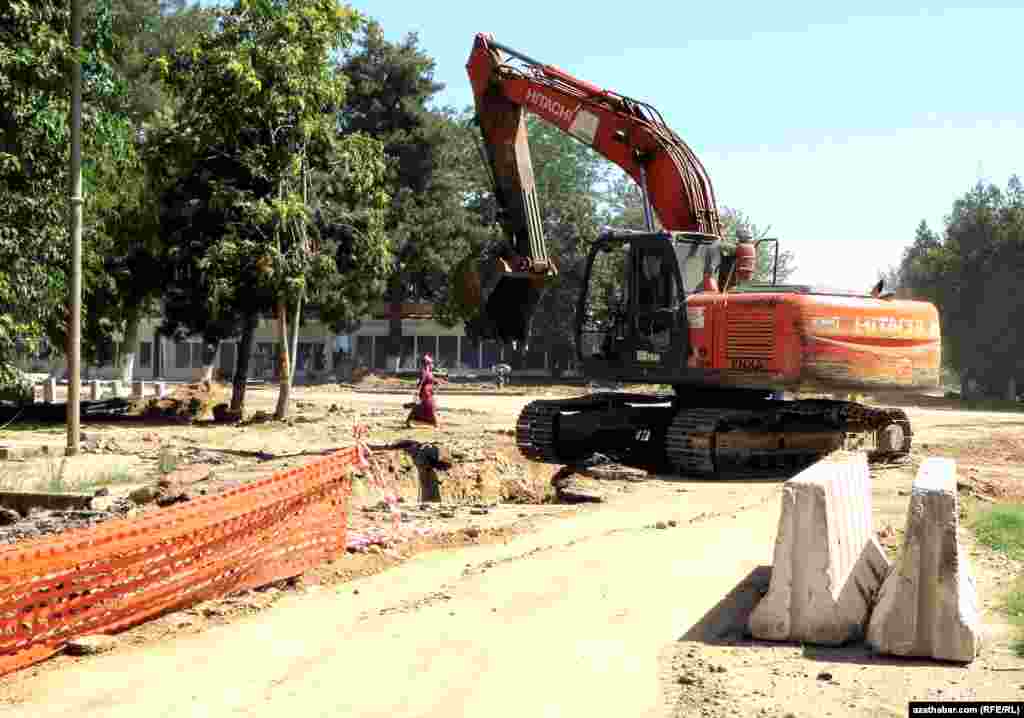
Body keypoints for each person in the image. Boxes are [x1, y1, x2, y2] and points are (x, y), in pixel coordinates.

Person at [405, 353, 445, 428]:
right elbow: (421, 382)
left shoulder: (429, 372)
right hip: (425, 393)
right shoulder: (424, 372)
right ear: (427, 364)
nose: (432, 364)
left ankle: (409, 421)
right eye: (431, 363)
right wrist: (417, 392)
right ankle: (435, 424)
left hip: (429, 392)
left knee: (420, 407)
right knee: (430, 407)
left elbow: (431, 380)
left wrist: (438, 381)